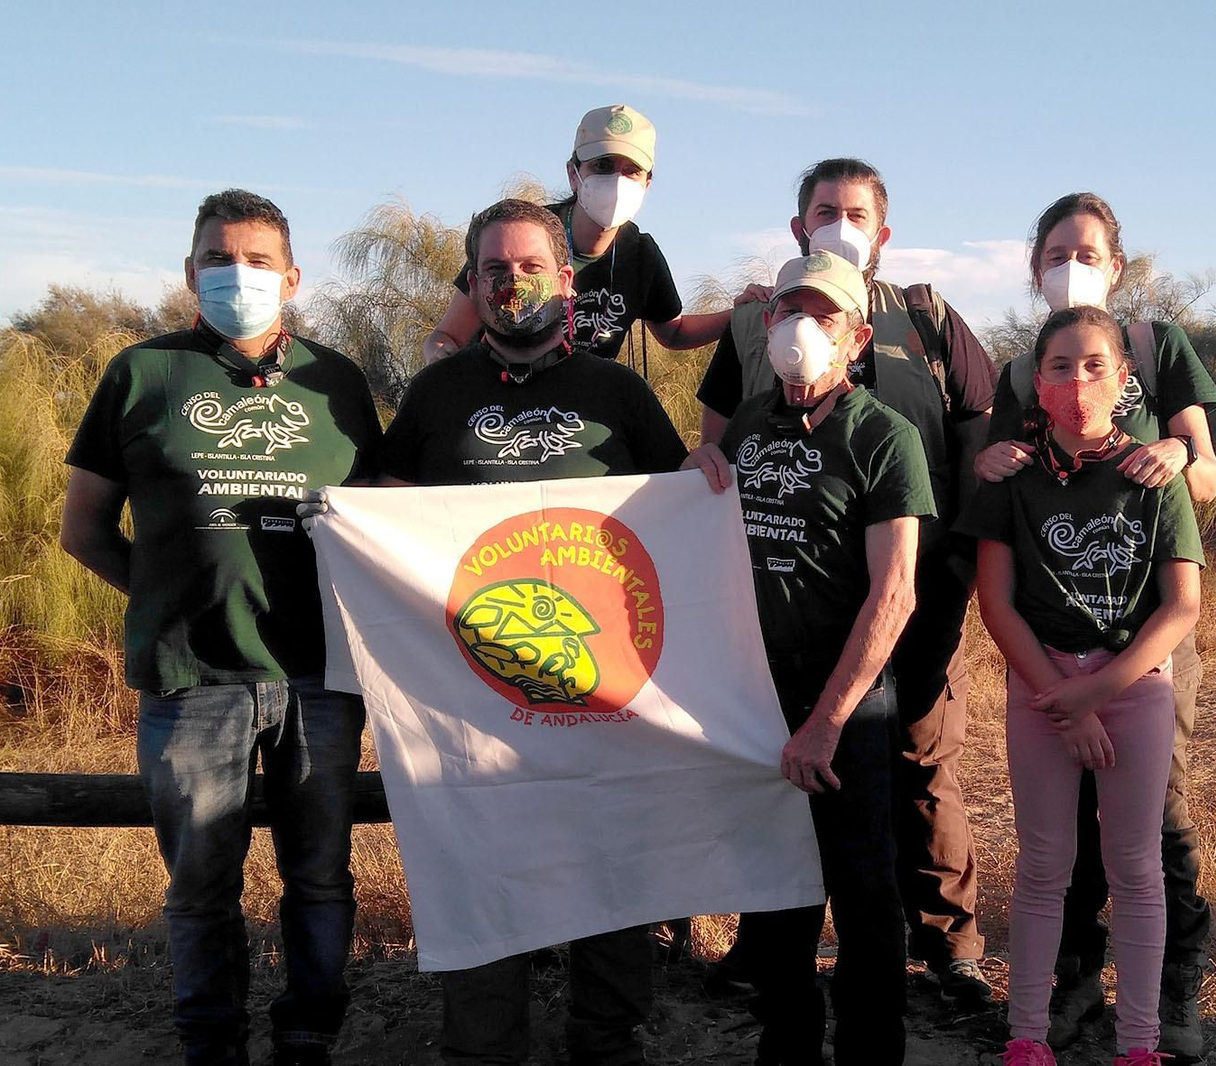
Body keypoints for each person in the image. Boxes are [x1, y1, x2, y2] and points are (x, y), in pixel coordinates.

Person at [60, 189, 381, 1066]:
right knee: (202, 886)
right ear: (190, 271)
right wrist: (161, 598)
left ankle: (310, 1034)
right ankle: (211, 1042)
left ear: (293, 278)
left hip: (319, 675)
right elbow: (83, 528)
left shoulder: (338, 382)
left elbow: (385, 517)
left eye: (256, 259)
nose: (236, 274)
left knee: (319, 879)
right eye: (216, 258)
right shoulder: (141, 373)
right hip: (192, 679)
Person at [379, 198, 688, 1065]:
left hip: (605, 688)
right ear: (472, 286)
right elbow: (389, 510)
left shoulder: (618, 392)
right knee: (484, 865)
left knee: (612, 868)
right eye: (493, 270)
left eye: (527, 267)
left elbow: (679, 522)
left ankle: (607, 1042)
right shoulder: (439, 392)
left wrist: (708, 478)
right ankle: (483, 1048)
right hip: (470, 691)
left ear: (566, 282)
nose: (510, 282)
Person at [696, 157, 998, 1006]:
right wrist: (700, 465)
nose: (840, 221)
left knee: (919, 769)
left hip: (915, 586)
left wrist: (964, 559)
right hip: (782, 644)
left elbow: (977, 432)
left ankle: (946, 947)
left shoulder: (927, 320)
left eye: (855, 211)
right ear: (798, 226)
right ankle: (768, 960)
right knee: (781, 811)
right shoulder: (753, 345)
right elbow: (717, 454)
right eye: (825, 209)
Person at [974, 193, 1216, 1059]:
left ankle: (1164, 1005)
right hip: (1049, 660)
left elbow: (1207, 475)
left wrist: (1180, 455)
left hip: (1143, 650)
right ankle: (1063, 998)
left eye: (1085, 250)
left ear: (1118, 263)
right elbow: (1006, 488)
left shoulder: (1160, 348)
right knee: (1055, 849)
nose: (1069, 263)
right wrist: (1063, 696)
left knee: (1157, 827)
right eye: (1053, 252)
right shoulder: (1017, 376)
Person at [685, 250, 934, 1066]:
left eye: (822, 315)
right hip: (759, 699)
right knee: (774, 897)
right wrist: (697, 469)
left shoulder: (884, 438)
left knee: (865, 895)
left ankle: (870, 1051)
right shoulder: (752, 420)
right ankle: (785, 1047)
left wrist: (827, 723)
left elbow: (894, 595)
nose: (801, 328)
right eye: (788, 309)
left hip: (848, 708)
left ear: (857, 336)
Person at [422, 103, 740, 365]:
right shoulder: (520, 238)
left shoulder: (641, 253)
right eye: (602, 166)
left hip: (582, 405)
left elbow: (673, 333)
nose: (617, 181)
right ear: (574, 175)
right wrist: (447, 373)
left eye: (631, 170)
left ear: (647, 183)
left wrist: (746, 314)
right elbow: (448, 337)